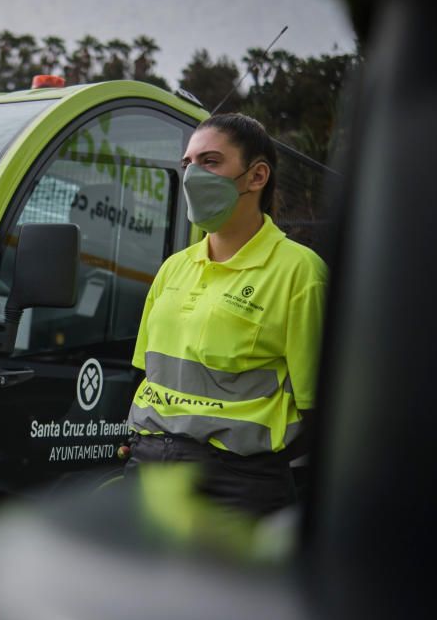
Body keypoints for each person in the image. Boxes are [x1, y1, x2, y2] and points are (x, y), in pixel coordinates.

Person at [123, 113, 328, 516]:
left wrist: (254, 462)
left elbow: (321, 408)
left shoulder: (300, 272)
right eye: (188, 164)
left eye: (211, 162)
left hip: (238, 485)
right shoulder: (173, 268)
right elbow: (145, 373)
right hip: (149, 469)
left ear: (256, 176)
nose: (193, 175)